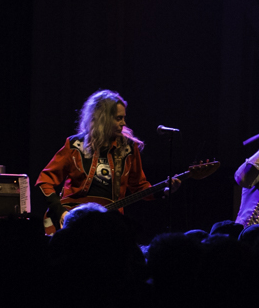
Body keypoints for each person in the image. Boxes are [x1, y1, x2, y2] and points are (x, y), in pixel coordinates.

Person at [37, 89, 179, 232]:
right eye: (118, 118)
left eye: (124, 118)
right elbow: (45, 180)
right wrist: (61, 212)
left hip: (109, 222)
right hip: (74, 221)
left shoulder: (129, 148)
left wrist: (164, 191)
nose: (124, 123)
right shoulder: (75, 145)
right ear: (103, 119)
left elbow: (139, 186)